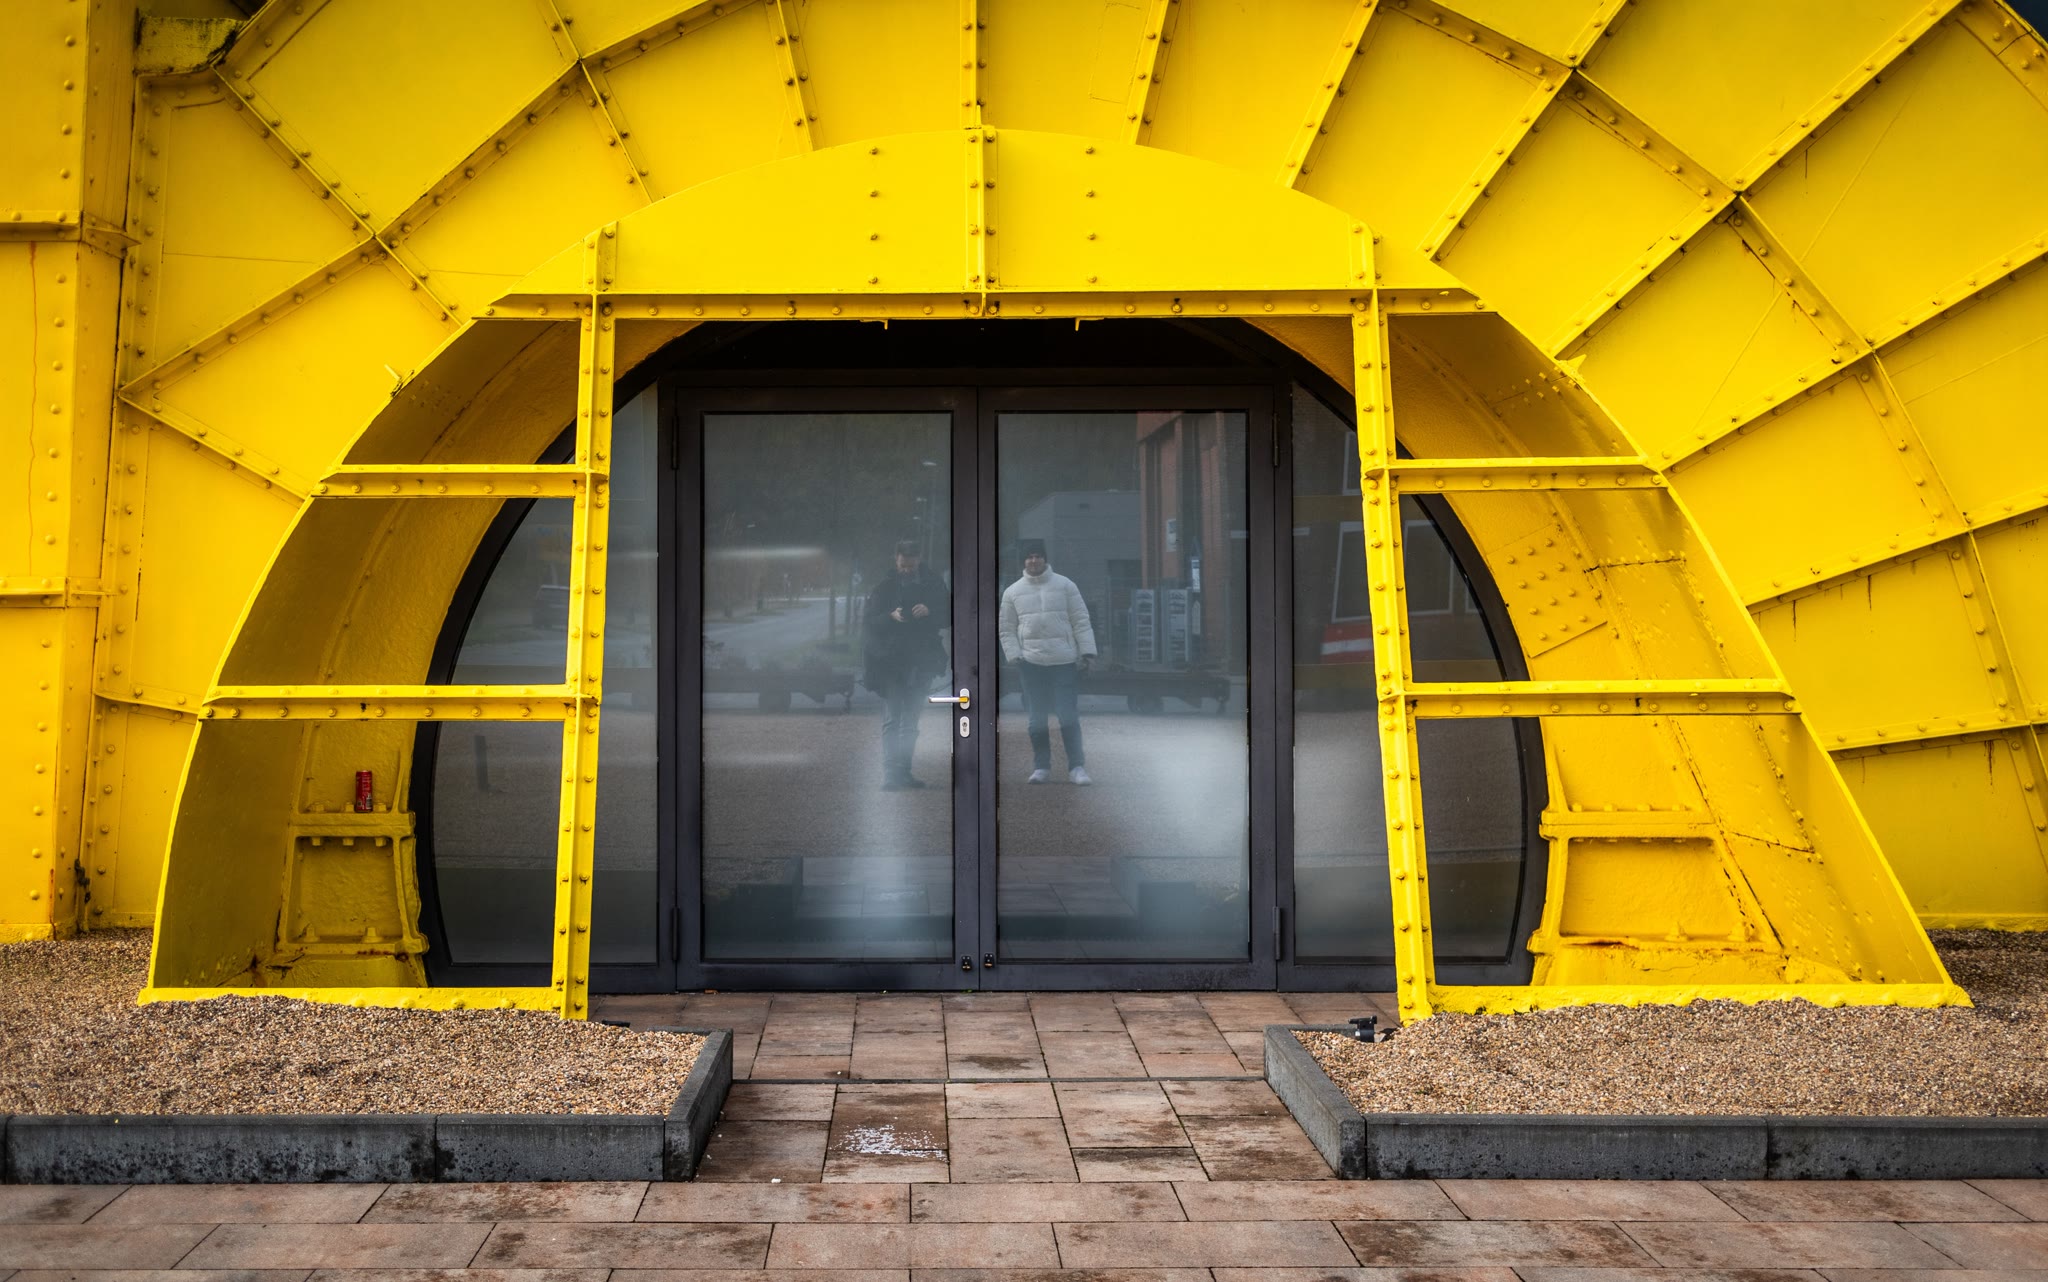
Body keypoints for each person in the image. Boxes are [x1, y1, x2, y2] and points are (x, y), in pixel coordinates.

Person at [999, 538, 1096, 785]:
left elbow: (1081, 620)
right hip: (1031, 663)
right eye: (1029, 556)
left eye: (1038, 556)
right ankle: (1041, 767)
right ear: (1023, 561)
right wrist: (1014, 655)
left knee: (1068, 717)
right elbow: (1006, 628)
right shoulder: (1012, 592)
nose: (1034, 560)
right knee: (1036, 720)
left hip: (1064, 661)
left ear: (1045, 558)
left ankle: (1077, 767)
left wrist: (1087, 652)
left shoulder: (1066, 585)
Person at [862, 539, 950, 790]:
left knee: (911, 722)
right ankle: (891, 774)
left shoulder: (934, 584)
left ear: (919, 559)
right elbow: (869, 623)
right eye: (903, 565)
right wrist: (890, 617)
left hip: (921, 663)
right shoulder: (884, 587)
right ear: (896, 560)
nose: (907, 570)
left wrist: (930, 611)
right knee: (893, 719)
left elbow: (949, 615)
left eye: (911, 566)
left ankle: (904, 772)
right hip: (891, 663)